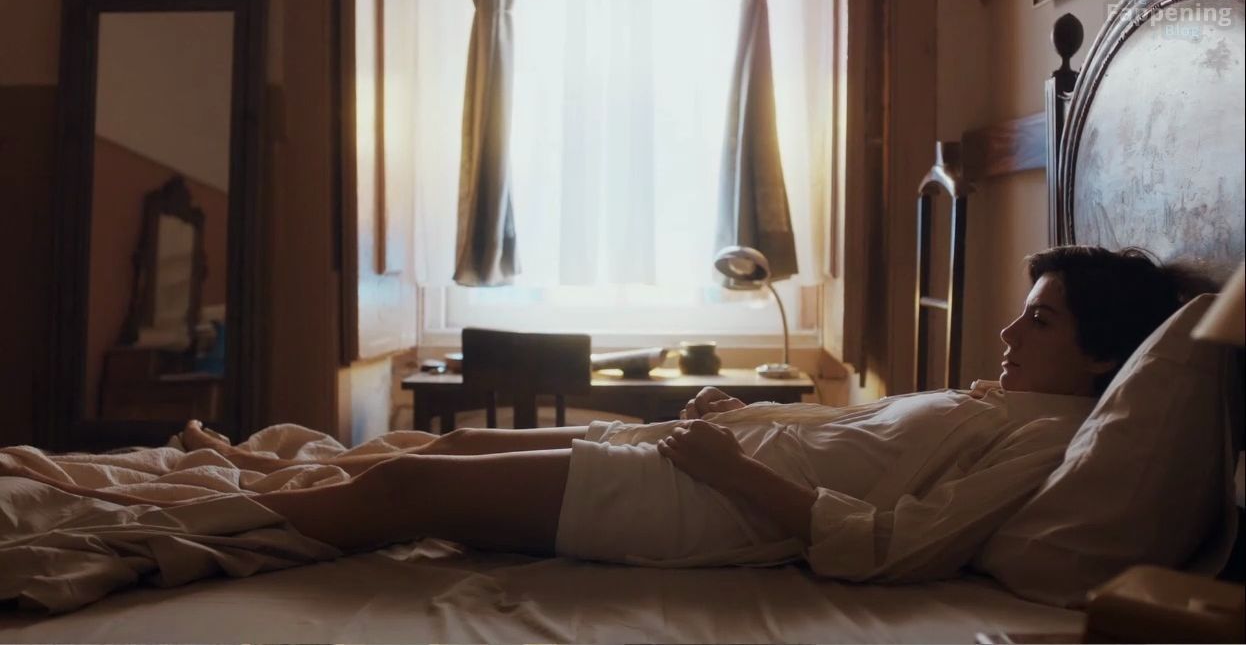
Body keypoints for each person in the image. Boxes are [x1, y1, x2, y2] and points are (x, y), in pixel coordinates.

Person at [177, 246, 1202, 581]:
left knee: (409, 484)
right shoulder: (990, 400)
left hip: (712, 502)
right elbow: (854, 442)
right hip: (707, 456)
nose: (1009, 330)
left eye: (1040, 321)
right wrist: (745, 413)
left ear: (1103, 353)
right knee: (442, 438)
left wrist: (731, 465)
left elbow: (898, 541)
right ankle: (263, 479)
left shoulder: (1041, 441)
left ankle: (191, 518)